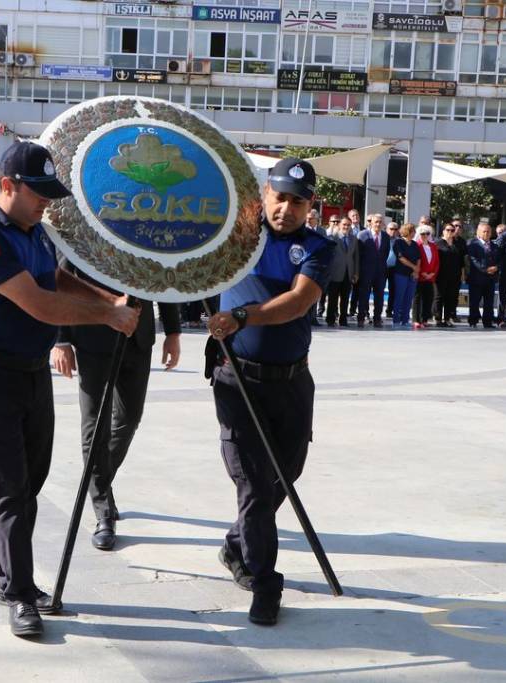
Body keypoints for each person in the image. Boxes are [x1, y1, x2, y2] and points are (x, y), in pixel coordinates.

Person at [0, 141, 138, 637]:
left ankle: (10, 577)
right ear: (7, 186)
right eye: (38, 193)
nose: (45, 202)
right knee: (10, 487)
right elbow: (38, 303)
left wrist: (106, 295)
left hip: (30, 372)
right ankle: (18, 592)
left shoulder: (33, 233)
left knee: (30, 483)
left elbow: (54, 278)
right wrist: (108, 315)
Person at [206, 157, 332, 627]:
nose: (287, 208)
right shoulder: (232, 236)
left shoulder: (318, 247)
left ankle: (239, 542)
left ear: (309, 205)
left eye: (298, 201)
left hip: (293, 382)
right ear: (265, 194)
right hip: (236, 379)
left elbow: (298, 302)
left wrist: (243, 316)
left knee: (286, 473)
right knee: (255, 485)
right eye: (280, 197)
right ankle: (264, 583)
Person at [52, 261, 181, 549]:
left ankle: (99, 482)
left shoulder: (147, 225)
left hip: (138, 336)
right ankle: (103, 513)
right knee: (95, 425)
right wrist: (61, 340)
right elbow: (60, 280)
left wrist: (173, 332)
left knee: (129, 418)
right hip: (92, 338)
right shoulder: (89, 226)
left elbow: (164, 274)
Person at [356, 211, 389, 328]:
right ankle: (360, 318)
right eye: (376, 222)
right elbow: (358, 255)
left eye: (380, 222)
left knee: (379, 296)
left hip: (380, 272)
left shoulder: (385, 236)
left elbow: (385, 253)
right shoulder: (362, 235)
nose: (378, 224)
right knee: (364, 296)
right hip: (366, 271)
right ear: (371, 223)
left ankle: (377, 319)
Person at [324, 216, 357, 327]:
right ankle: (330, 319)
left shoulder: (353, 239)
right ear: (339, 225)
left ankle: (343, 319)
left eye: (348, 225)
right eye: (344, 224)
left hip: (348, 273)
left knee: (345, 299)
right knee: (332, 298)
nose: (346, 227)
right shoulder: (332, 238)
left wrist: (356, 272)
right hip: (335, 272)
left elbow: (355, 258)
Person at [467, 221, 499, 329]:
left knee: (489, 302)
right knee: (474, 301)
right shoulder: (473, 244)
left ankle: (488, 321)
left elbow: (499, 260)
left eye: (489, 231)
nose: (487, 233)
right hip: (477, 278)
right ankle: (473, 320)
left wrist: (496, 267)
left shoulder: (494, 246)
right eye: (484, 231)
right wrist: (485, 270)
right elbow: (473, 260)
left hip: (490, 279)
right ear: (479, 232)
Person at [434, 224, 464, 327]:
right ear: (443, 231)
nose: (450, 232)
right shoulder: (438, 243)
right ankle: (438, 318)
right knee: (439, 297)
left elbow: (461, 261)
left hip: (454, 275)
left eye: (452, 230)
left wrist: (462, 274)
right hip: (441, 275)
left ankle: (447, 318)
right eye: (448, 230)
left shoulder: (456, 244)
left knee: (450, 297)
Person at [391, 223, 419, 329]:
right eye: (413, 231)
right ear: (407, 231)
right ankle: (396, 320)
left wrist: (416, 270)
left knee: (409, 298)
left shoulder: (415, 244)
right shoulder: (398, 242)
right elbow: (401, 258)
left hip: (412, 275)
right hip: (401, 273)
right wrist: (414, 267)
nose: (414, 233)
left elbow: (418, 258)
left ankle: (405, 320)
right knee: (400, 296)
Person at [413, 224, 439, 328]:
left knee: (428, 298)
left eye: (427, 233)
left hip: (430, 277)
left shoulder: (433, 246)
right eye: (422, 234)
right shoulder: (417, 245)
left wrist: (433, 273)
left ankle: (424, 319)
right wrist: (422, 272)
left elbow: (437, 261)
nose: (425, 235)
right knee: (417, 298)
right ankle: (416, 319)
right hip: (420, 276)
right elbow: (416, 260)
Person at [383, 219, 398, 320]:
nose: (393, 231)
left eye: (395, 229)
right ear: (387, 229)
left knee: (393, 290)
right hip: (383, 267)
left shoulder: (399, 241)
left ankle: (389, 310)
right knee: (379, 289)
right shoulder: (383, 239)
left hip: (394, 268)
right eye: (391, 229)